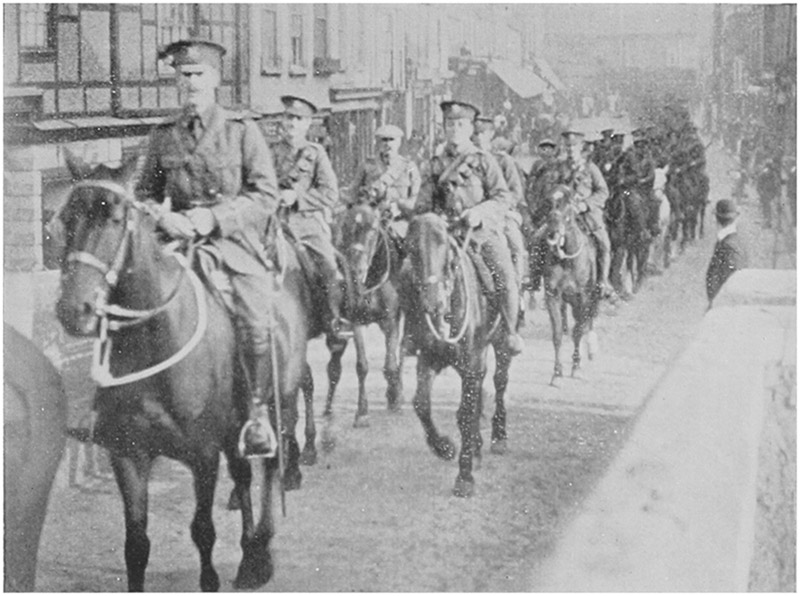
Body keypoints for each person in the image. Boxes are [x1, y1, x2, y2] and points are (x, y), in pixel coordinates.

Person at [136, 39, 278, 458]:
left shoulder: (242, 130)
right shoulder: (163, 135)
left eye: (199, 74)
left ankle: (257, 413)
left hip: (232, 245)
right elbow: (143, 194)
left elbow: (265, 194)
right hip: (176, 242)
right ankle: (118, 404)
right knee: (130, 301)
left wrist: (214, 218)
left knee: (256, 318)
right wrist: (164, 218)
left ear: (215, 79)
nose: (191, 82)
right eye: (184, 75)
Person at [416, 100, 524, 355]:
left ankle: (510, 333)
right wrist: (434, 218)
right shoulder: (434, 164)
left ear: (470, 129)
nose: (454, 130)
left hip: (479, 234)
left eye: (460, 125)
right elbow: (422, 204)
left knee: (505, 275)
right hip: (444, 234)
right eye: (449, 125)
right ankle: (414, 334)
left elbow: (502, 197)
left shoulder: (484, 160)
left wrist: (479, 213)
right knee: (413, 273)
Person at [270, 95, 347, 336]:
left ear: (307, 123)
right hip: (272, 223)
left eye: (298, 119)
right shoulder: (269, 152)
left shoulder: (316, 153)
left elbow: (330, 193)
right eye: (289, 117)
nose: (292, 123)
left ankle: (333, 320)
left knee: (328, 266)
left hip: (305, 225)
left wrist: (297, 198)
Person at [559, 128, 616, 299]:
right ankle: (538, 281)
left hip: (587, 215)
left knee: (604, 244)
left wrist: (586, 205)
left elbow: (603, 191)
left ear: (581, 147)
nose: (570, 150)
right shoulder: (559, 167)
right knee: (541, 237)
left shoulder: (591, 168)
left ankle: (603, 282)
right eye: (568, 146)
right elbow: (551, 188)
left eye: (574, 146)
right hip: (564, 213)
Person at [474, 116, 527, 295]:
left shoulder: (503, 160)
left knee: (515, 244)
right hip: (474, 215)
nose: (478, 138)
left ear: (490, 134)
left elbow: (515, 192)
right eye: (475, 134)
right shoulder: (467, 160)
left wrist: (498, 208)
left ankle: (516, 288)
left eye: (482, 133)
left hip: (502, 213)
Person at [351, 124, 421, 232]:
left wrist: (399, 205)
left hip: (401, 222)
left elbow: (416, 200)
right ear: (377, 143)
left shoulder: (409, 167)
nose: (388, 144)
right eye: (384, 140)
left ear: (399, 142)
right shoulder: (367, 166)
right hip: (372, 221)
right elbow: (353, 192)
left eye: (391, 140)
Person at [706, 199, 749, 306]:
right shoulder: (731, 240)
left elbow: (733, 280)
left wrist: (715, 303)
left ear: (716, 219)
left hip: (724, 306)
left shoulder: (728, 245)